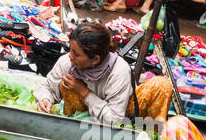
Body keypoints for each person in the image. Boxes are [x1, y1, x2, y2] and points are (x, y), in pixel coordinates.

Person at [32, 20, 176, 126]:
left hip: (117, 119)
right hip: (80, 120)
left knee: (162, 85)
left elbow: (114, 120)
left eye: (76, 53)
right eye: (71, 50)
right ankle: (72, 128)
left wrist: (84, 92)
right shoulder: (68, 62)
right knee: (66, 83)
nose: (70, 56)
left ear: (95, 59)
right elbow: (47, 88)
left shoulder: (119, 71)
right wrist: (46, 99)